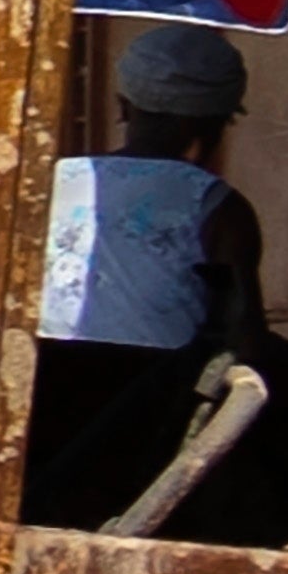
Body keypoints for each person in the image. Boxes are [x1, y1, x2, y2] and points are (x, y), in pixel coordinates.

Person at [37, 24, 266, 355]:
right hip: (152, 400)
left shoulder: (53, 181)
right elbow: (244, 336)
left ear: (123, 106)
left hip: (42, 390)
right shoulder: (219, 208)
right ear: (217, 122)